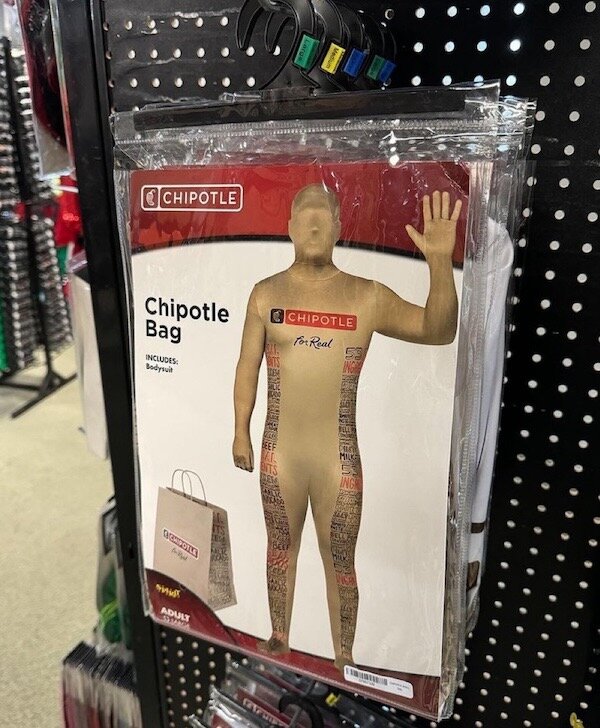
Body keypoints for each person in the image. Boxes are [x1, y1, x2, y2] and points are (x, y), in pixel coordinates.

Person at [232, 183, 461, 672]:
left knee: (340, 557)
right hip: (279, 455)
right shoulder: (265, 294)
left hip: (338, 458)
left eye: (324, 214)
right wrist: (239, 431)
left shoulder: (366, 296)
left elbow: (438, 330)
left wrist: (440, 263)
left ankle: (344, 654)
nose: (314, 223)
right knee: (280, 549)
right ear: (289, 227)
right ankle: (279, 636)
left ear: (339, 227)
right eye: (305, 214)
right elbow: (246, 367)